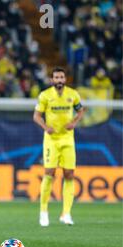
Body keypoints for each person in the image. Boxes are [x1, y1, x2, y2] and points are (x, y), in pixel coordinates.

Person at [33, 67, 85, 226]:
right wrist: (45, 127)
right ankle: (43, 212)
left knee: (69, 174)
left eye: (62, 77)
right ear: (52, 80)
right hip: (51, 140)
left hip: (68, 139)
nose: (59, 80)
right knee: (49, 172)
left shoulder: (73, 95)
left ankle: (66, 214)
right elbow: (36, 116)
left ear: (65, 79)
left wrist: (74, 122)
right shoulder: (45, 96)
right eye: (56, 77)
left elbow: (81, 111)